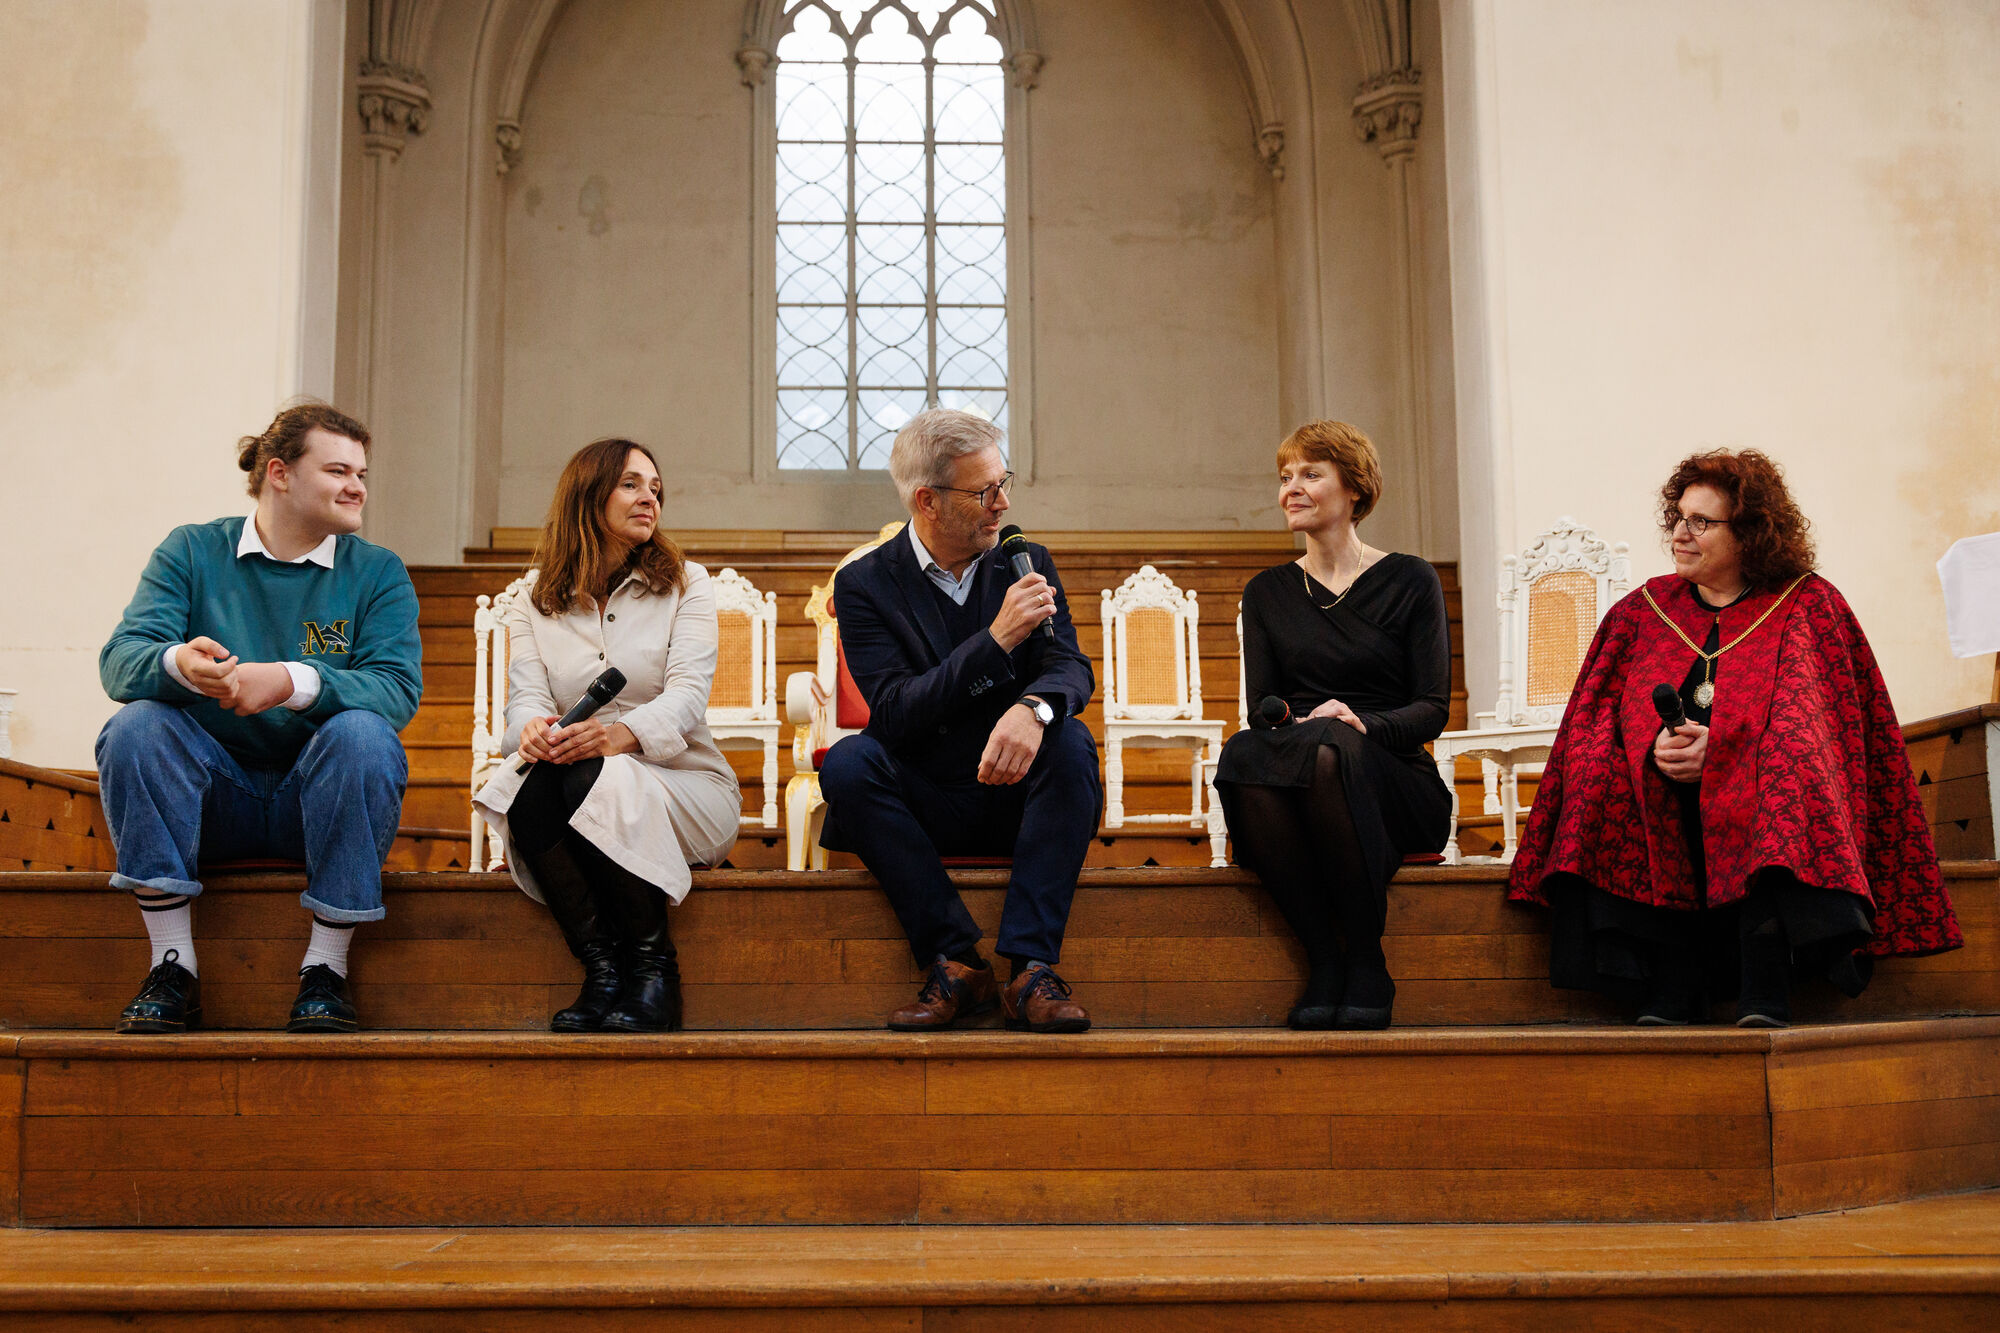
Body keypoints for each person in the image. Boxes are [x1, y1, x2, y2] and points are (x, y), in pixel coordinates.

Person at [1509, 449, 1961, 1026]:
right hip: (1665, 785)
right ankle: (1670, 981)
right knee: (1604, 765)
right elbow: (1599, 713)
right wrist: (1653, 746)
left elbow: (1812, 723)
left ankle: (1765, 981)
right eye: (1678, 517)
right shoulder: (1642, 611)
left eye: (1701, 522)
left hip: (1762, 789)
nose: (1680, 533)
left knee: (1786, 765)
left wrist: (1722, 755)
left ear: (1749, 531)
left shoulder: (1807, 604)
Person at [97, 402, 421, 1034]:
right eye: (337, 470)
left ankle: (325, 971)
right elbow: (119, 662)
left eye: (361, 472)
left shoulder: (377, 571)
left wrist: (290, 681)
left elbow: (396, 692)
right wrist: (179, 664)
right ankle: (173, 968)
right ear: (280, 473)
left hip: (319, 805)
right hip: (211, 803)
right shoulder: (192, 550)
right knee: (135, 725)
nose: (357, 486)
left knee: (364, 735)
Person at [818, 408, 1101, 1033]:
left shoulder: (1025, 561)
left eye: (1004, 482)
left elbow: (1069, 666)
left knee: (1072, 741)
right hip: (926, 800)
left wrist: (1034, 709)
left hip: (1021, 795)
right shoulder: (864, 584)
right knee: (848, 763)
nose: (1002, 503)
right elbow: (893, 714)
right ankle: (956, 964)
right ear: (928, 501)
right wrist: (996, 641)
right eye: (984, 491)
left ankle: (1031, 970)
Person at [472, 439, 739, 1033]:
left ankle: (654, 976)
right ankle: (602, 974)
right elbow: (525, 702)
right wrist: (533, 732)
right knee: (532, 788)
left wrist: (617, 737)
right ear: (588, 495)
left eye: (655, 487)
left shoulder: (687, 583)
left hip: (686, 787)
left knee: (594, 774)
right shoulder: (535, 597)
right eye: (631, 484)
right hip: (575, 784)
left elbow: (688, 696)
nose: (650, 497)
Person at [1214, 421, 1452, 1030]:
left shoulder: (1411, 578)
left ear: (1355, 489)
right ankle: (1323, 958)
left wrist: (1362, 724)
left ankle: (1366, 958)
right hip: (1304, 752)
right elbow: (1262, 706)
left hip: (1395, 775)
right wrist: (1302, 718)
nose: (1291, 488)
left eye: (1310, 474)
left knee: (1329, 751)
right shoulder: (1267, 591)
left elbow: (1431, 708)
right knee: (1242, 754)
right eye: (1285, 477)